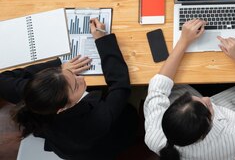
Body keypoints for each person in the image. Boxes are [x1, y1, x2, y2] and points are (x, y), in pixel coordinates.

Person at [0, 18, 138, 159]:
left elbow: (1, 80)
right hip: (100, 142)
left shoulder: (34, 92)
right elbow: (120, 86)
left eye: (71, 74)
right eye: (75, 86)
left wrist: (59, 67)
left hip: (62, 141)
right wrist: (102, 39)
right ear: (62, 108)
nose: (82, 79)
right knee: (130, 116)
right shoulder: (95, 120)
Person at [144, 19, 235, 160]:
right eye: (208, 106)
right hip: (229, 110)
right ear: (207, 129)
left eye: (186, 99)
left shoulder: (154, 136)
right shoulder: (234, 136)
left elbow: (157, 90)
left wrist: (183, 41)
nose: (208, 98)